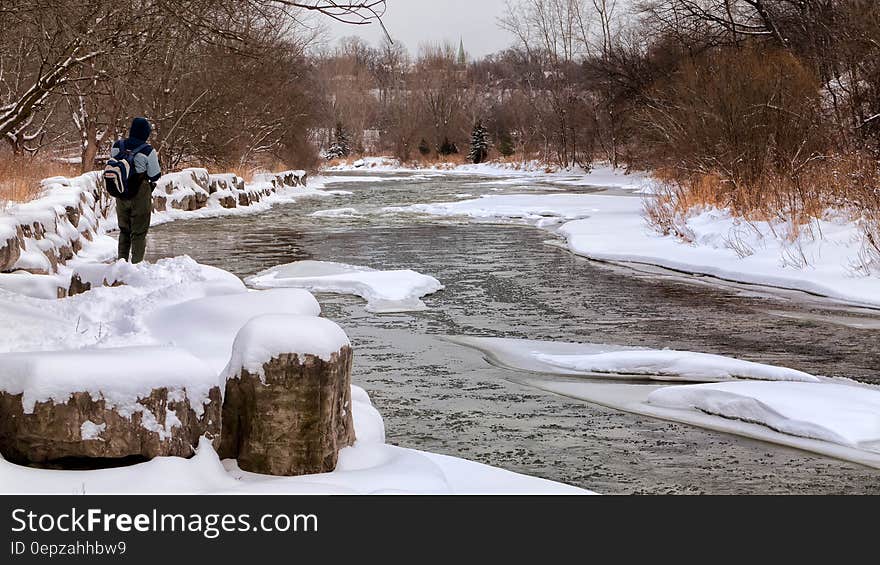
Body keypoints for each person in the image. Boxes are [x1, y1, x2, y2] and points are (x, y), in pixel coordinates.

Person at [112, 117, 161, 263]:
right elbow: (155, 175)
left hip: (120, 192)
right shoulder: (148, 150)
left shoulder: (117, 146)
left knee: (124, 230)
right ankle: (136, 266)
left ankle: (121, 264)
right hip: (140, 193)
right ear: (145, 133)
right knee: (138, 232)